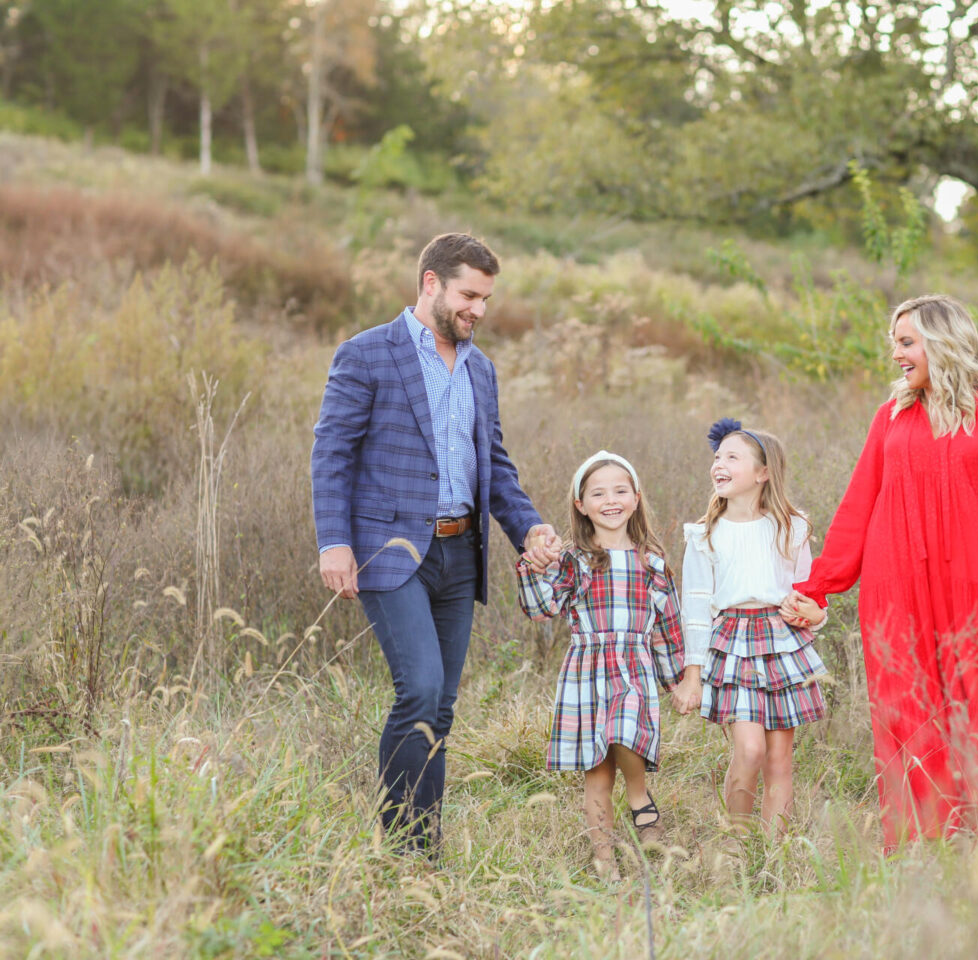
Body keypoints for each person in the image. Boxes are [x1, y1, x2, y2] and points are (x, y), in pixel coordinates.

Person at [311, 232, 561, 855]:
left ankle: (425, 847)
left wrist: (527, 526)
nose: (479, 309)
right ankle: (398, 846)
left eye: (486, 298)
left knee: (440, 709)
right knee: (419, 688)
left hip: (460, 555)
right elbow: (331, 454)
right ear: (431, 283)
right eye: (469, 295)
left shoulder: (481, 368)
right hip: (389, 554)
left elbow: (494, 466)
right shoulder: (367, 354)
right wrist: (334, 542)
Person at [782, 294, 978, 849]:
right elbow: (859, 505)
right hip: (894, 580)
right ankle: (918, 842)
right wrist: (820, 586)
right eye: (894, 344)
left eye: (907, 342)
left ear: (942, 342)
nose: (897, 355)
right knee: (907, 705)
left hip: (967, 581)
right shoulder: (891, 416)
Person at [516, 451, 684, 881]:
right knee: (597, 772)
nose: (610, 500)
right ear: (581, 505)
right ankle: (605, 862)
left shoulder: (653, 563)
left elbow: (668, 628)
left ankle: (640, 799)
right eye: (598, 493)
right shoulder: (573, 561)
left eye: (620, 490)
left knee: (625, 730)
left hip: (634, 665)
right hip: (587, 670)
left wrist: (679, 682)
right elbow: (542, 607)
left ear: (636, 497)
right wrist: (535, 567)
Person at [673, 418, 828, 833]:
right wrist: (693, 674)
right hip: (733, 642)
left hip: (782, 641)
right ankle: (736, 842)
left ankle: (774, 853)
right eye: (717, 456)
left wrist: (817, 614)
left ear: (763, 473)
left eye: (732, 457)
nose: (718, 464)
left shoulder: (791, 527)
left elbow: (809, 596)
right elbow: (695, 608)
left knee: (780, 759)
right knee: (750, 749)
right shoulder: (705, 534)